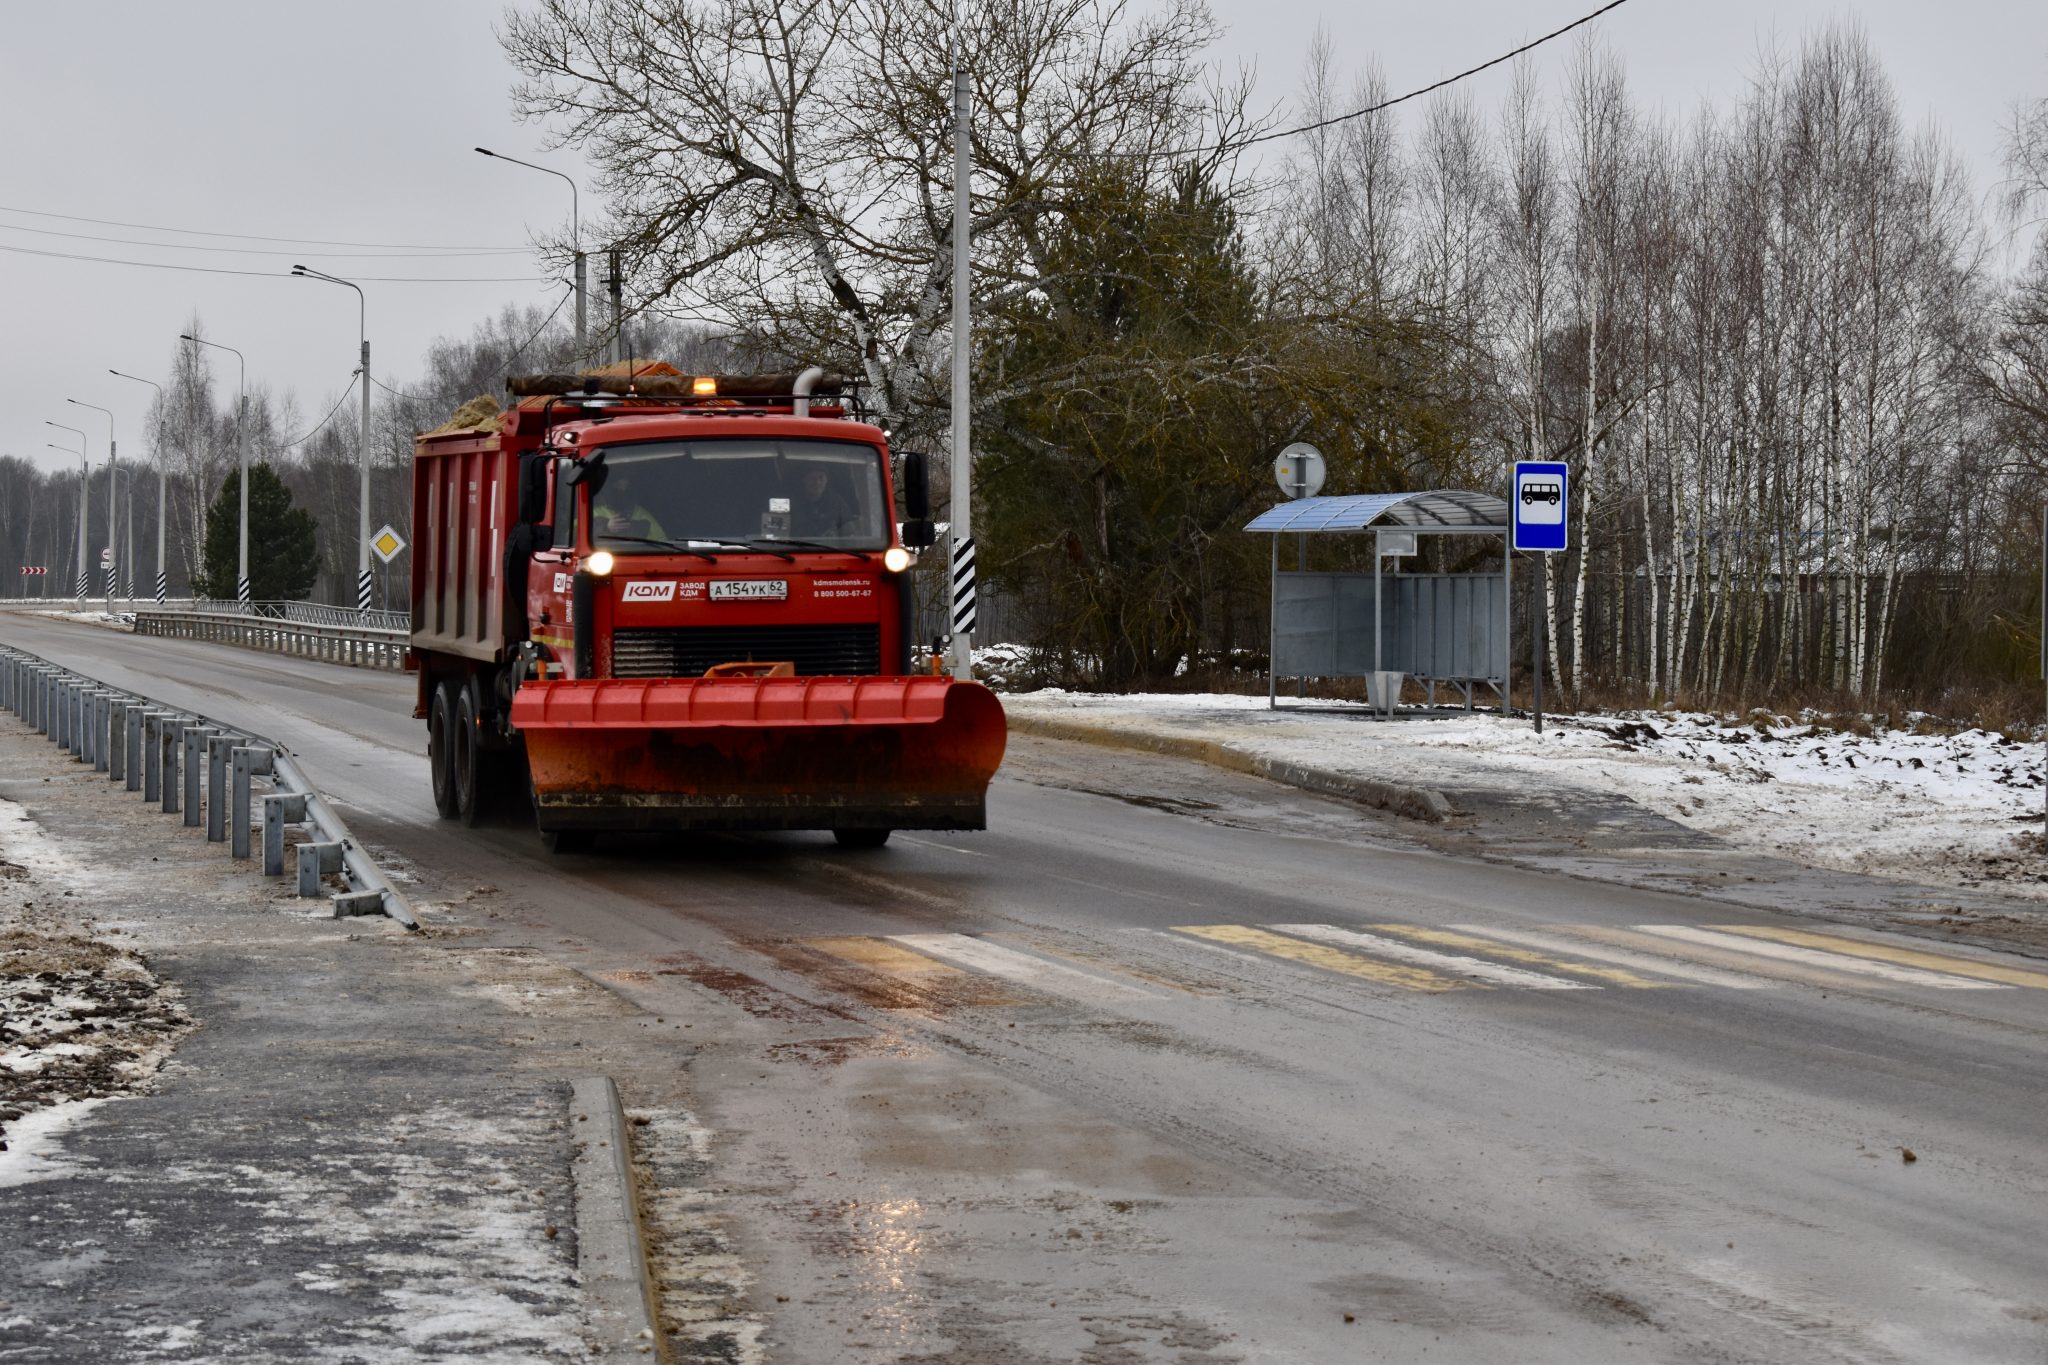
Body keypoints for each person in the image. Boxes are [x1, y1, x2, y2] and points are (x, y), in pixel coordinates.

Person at [791, 465, 857, 538]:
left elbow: (849, 533)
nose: (817, 482)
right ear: (804, 480)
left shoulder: (837, 502)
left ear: (826, 480)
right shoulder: (791, 502)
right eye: (813, 478)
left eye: (821, 478)